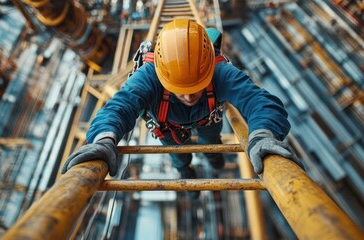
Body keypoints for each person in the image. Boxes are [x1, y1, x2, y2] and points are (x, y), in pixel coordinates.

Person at [61, 19, 301, 197]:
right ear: (162, 75)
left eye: (196, 86)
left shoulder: (219, 71)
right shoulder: (149, 76)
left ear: (208, 69)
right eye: (179, 88)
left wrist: (261, 134)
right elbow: (120, 107)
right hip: (170, 127)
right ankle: (186, 173)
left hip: (208, 118)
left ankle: (213, 157)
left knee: (211, 139)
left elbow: (259, 101)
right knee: (178, 154)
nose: (188, 96)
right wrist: (104, 139)